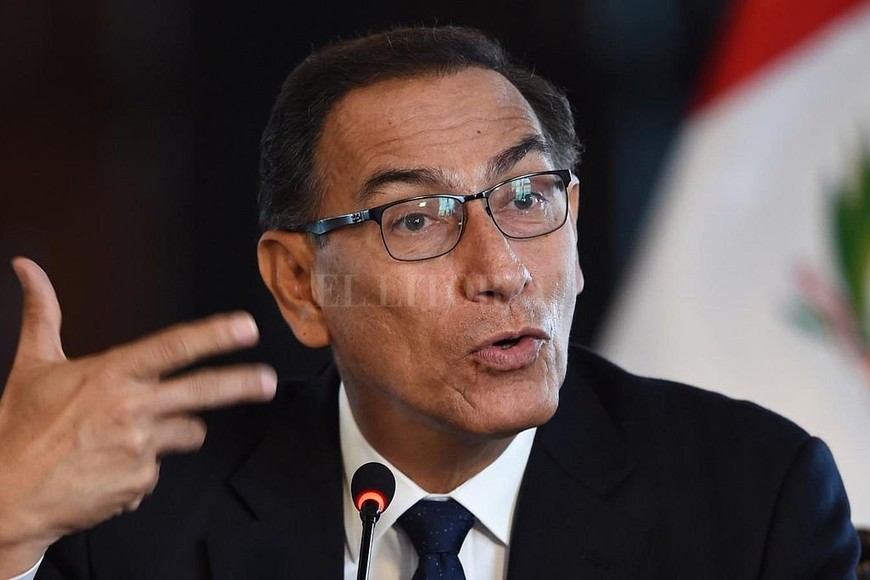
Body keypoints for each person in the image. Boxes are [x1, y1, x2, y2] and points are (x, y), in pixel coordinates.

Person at [0, 25, 860, 580]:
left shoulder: (752, 501)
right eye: (416, 218)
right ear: (300, 283)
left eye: (527, 198)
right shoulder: (133, 513)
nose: (502, 270)